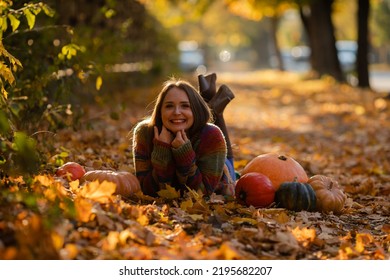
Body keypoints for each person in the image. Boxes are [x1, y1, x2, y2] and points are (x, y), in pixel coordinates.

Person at [131, 76, 235, 197]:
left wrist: (184, 154)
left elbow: (202, 193)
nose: (176, 112)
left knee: (229, 164)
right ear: (160, 111)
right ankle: (209, 100)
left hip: (219, 169)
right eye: (169, 106)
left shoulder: (212, 134)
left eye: (185, 106)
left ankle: (215, 111)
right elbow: (146, 189)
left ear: (195, 110)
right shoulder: (144, 132)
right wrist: (162, 151)